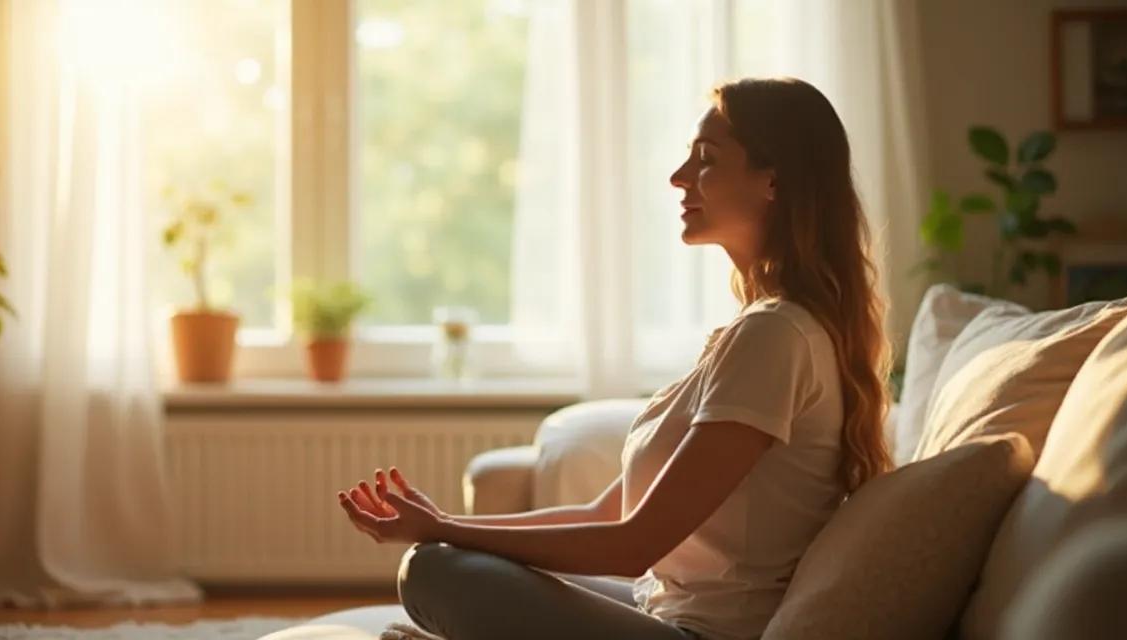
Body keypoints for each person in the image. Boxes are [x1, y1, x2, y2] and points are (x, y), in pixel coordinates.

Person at [335, 77, 893, 640]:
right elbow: (606, 513)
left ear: (772, 180)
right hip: (664, 610)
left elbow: (633, 544)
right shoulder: (763, 330)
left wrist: (447, 532)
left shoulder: (776, 337)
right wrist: (447, 526)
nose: (679, 177)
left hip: (705, 633)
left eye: (706, 159)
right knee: (443, 556)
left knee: (435, 571)